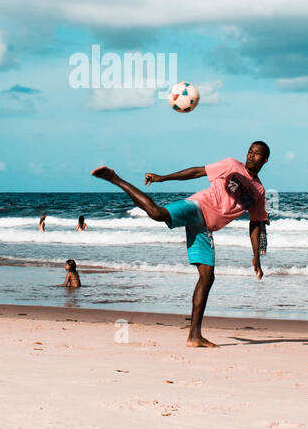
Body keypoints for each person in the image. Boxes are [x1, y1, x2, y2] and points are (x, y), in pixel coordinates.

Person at [92, 141, 270, 347]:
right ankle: (115, 179)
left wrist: (256, 256)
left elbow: (256, 223)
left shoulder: (259, 191)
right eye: (250, 151)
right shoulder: (231, 165)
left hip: (205, 228)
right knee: (158, 214)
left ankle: (194, 336)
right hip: (197, 206)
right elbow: (197, 172)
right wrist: (162, 178)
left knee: (207, 277)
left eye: (257, 154)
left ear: (265, 160)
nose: (251, 155)